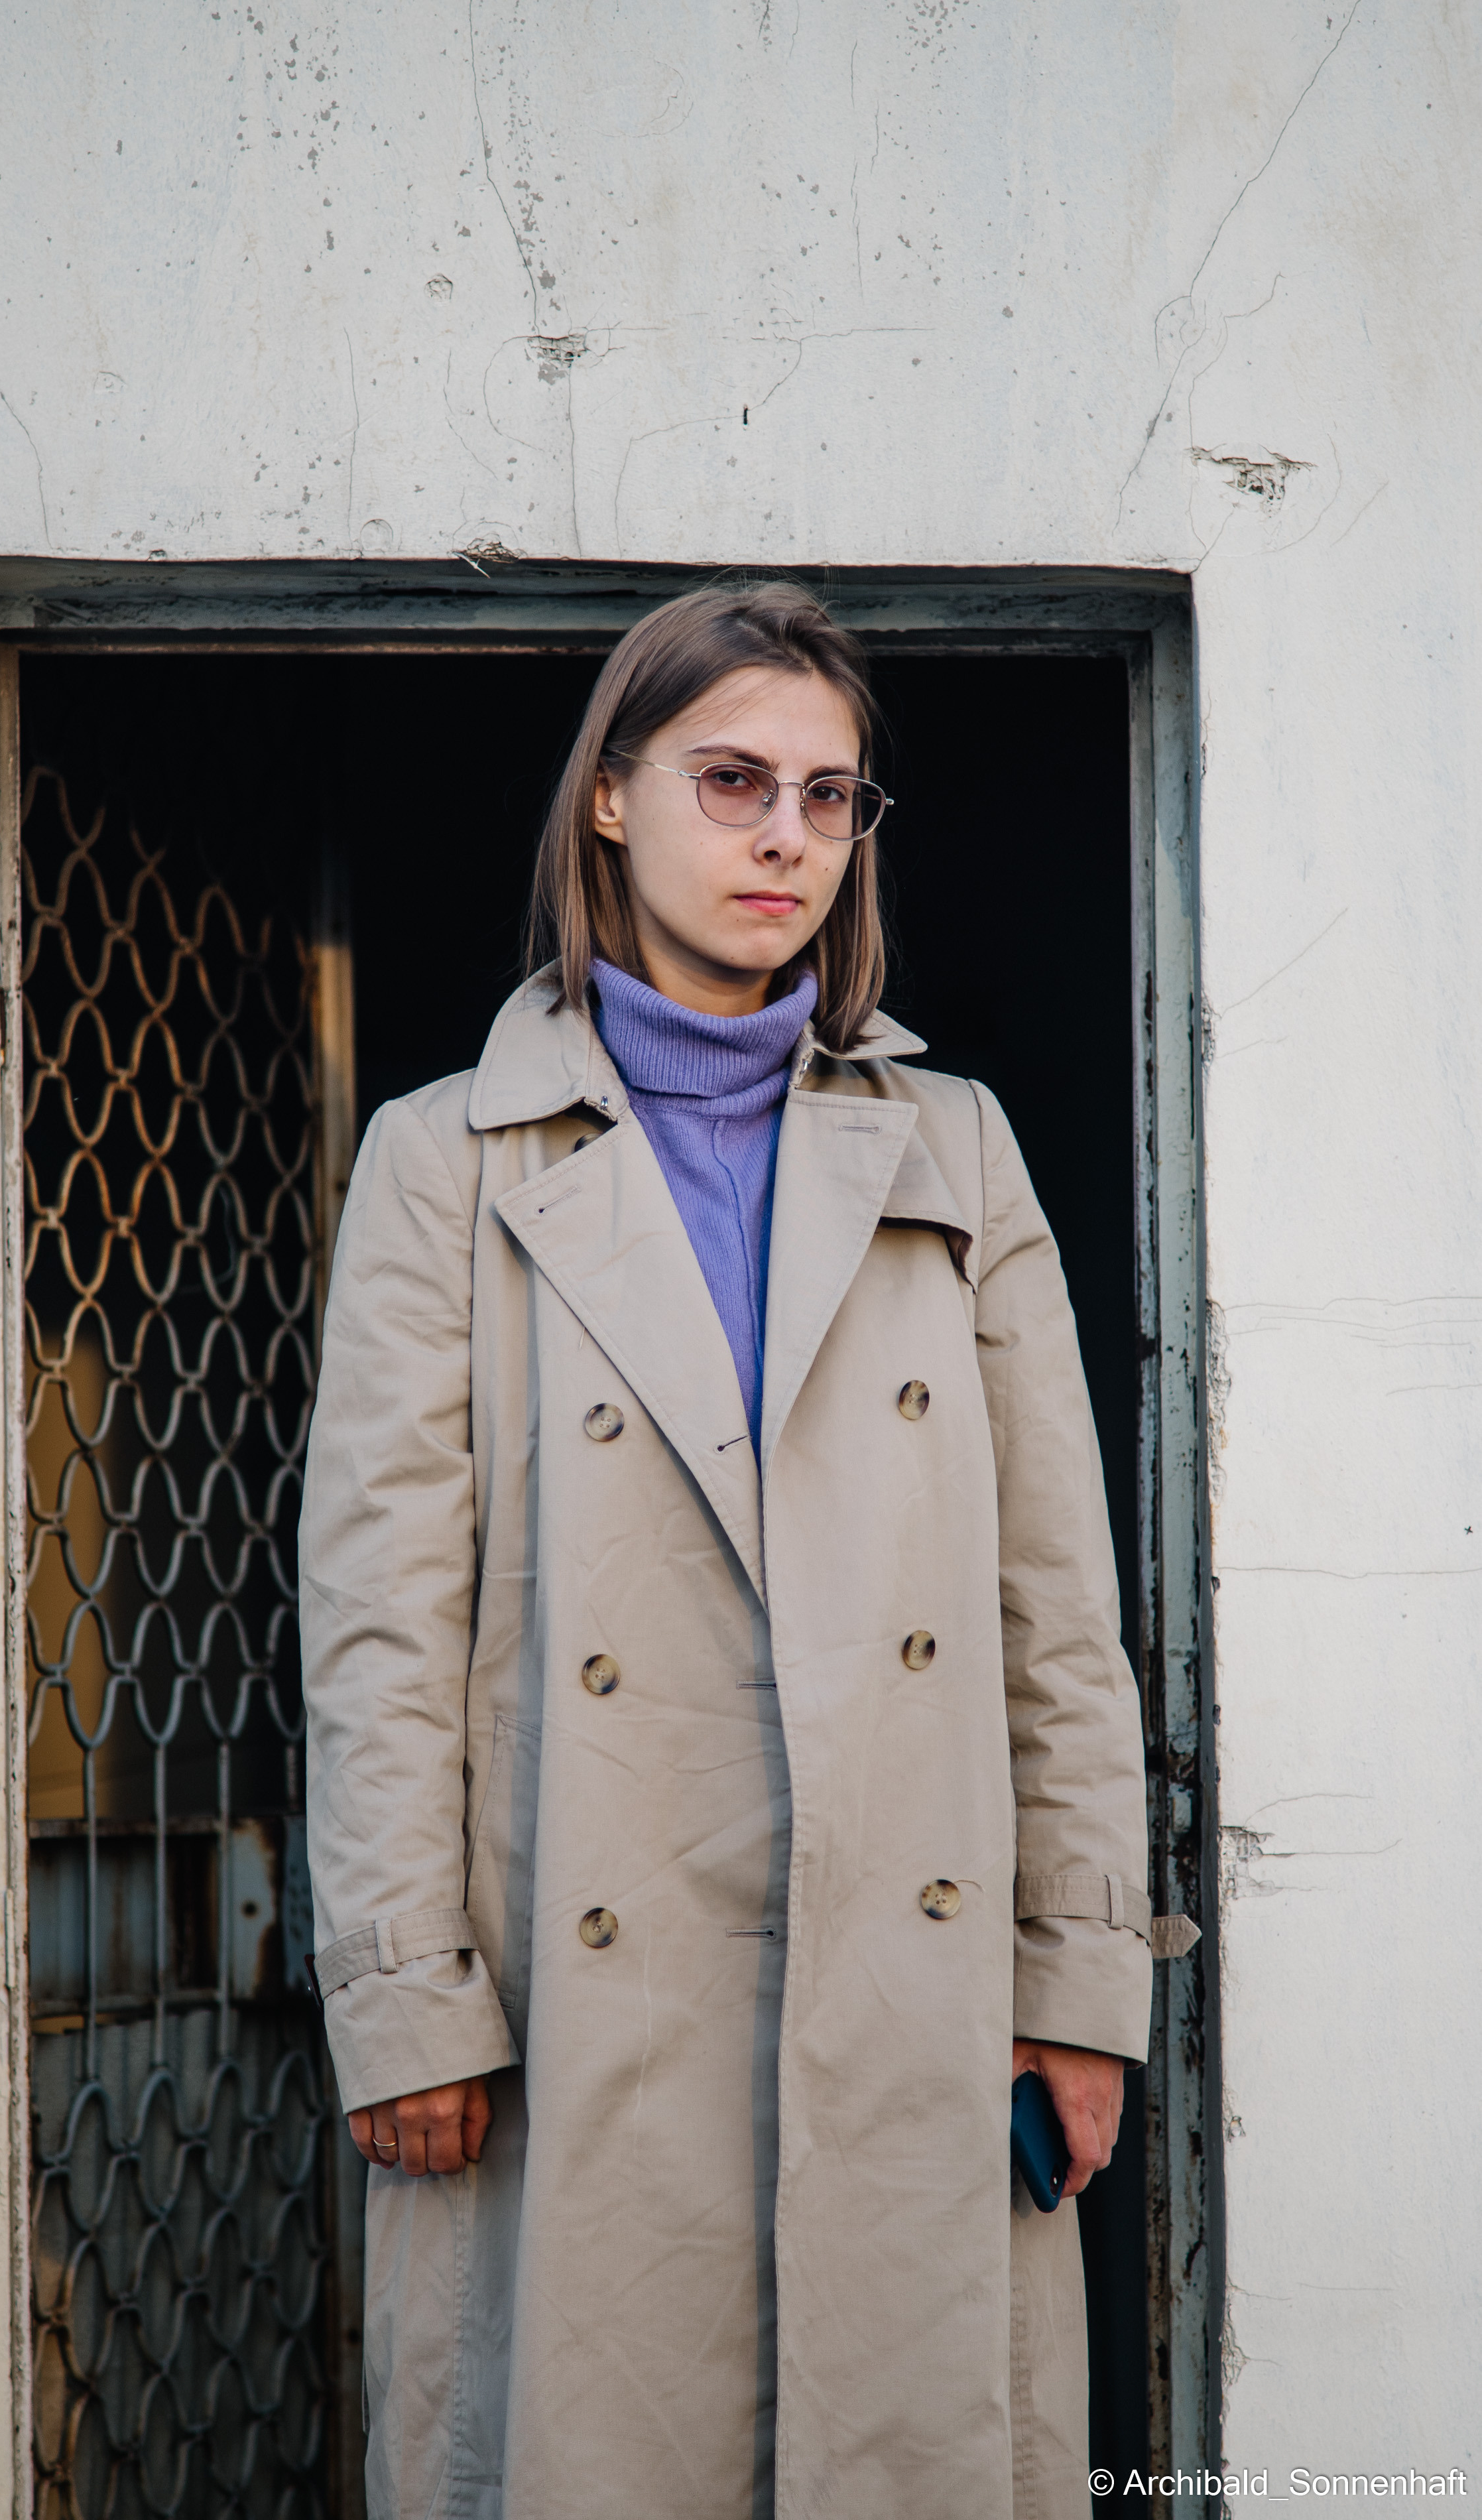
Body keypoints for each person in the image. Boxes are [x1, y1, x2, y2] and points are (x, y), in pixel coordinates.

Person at [300, 580, 1162, 2520]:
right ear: (612, 798)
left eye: (832, 796)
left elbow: (1057, 1615)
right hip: (585, 1977)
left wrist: (1078, 1984)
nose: (786, 835)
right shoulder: (451, 1162)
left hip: (913, 1985)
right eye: (734, 780)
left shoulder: (957, 1147)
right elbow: (379, 1620)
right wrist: (407, 1994)